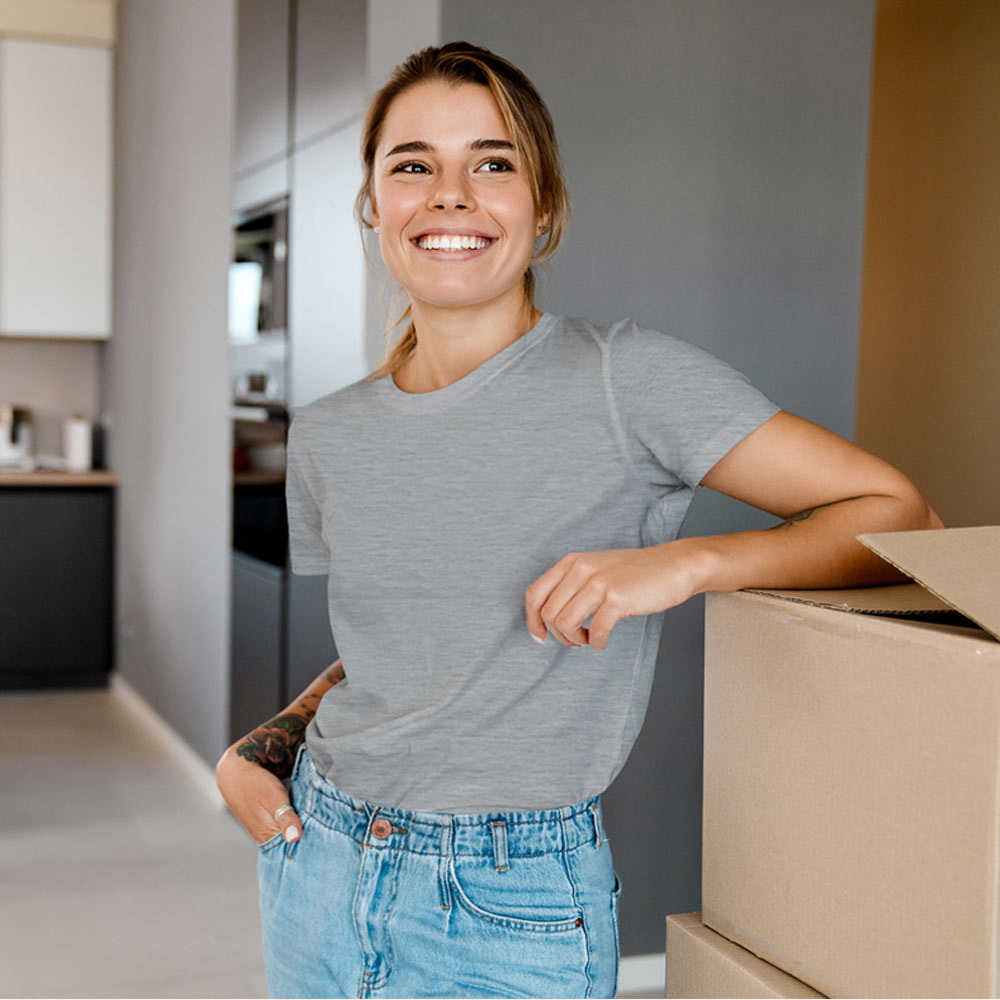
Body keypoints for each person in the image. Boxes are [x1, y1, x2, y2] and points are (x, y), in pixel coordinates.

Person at [216, 42, 942, 1000]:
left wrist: (683, 564)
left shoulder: (627, 379)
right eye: (412, 165)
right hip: (318, 863)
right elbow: (403, 655)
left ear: (544, 207)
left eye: (492, 162)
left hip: (507, 901)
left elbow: (905, 518)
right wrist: (260, 747)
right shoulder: (329, 435)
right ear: (375, 207)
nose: (450, 194)